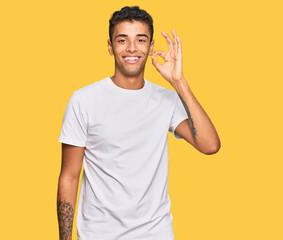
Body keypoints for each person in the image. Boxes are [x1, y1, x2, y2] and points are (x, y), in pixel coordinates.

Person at [57, 5, 221, 240]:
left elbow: (210, 145)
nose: (132, 48)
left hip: (155, 234)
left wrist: (179, 82)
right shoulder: (84, 100)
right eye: (122, 40)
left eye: (141, 40)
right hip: (99, 235)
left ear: (151, 47)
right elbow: (69, 176)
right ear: (110, 46)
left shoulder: (167, 100)